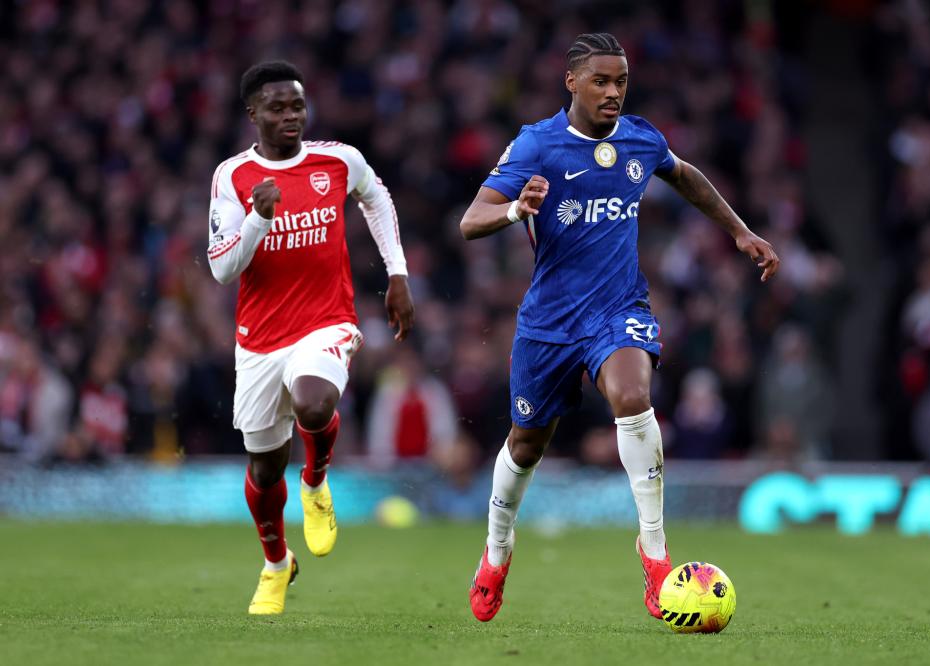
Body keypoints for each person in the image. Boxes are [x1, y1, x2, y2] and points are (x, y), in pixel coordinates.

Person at [459, 33, 779, 622]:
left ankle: (655, 556)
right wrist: (515, 210)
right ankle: (496, 551)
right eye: (601, 81)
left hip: (618, 308)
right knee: (526, 445)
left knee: (633, 397)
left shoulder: (640, 138)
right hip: (550, 321)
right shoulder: (537, 144)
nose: (613, 92)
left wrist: (739, 231)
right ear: (572, 82)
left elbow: (684, 175)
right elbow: (470, 220)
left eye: (621, 82)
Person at [207, 61, 414, 615]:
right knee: (263, 468)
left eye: (297, 105)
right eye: (277, 108)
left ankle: (316, 480)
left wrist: (397, 273)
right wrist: (258, 218)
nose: (290, 116)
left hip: (327, 320)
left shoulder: (338, 160)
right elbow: (222, 270)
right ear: (253, 114)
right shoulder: (233, 176)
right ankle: (277, 564)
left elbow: (377, 198)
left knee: (315, 403)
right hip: (259, 339)